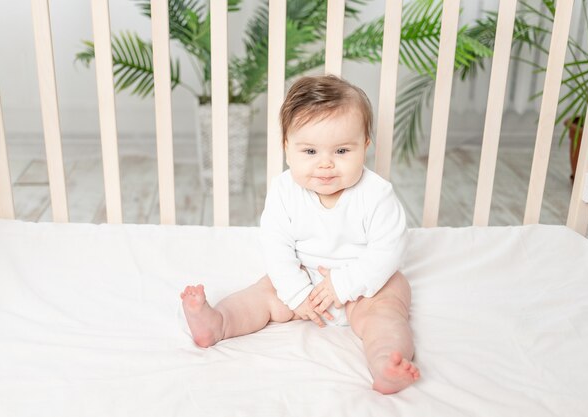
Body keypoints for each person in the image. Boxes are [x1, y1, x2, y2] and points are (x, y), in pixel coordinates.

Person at [180, 74, 420, 394]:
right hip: (304, 279)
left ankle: (386, 362)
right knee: (262, 293)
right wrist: (296, 293)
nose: (325, 165)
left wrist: (345, 284)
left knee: (389, 306)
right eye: (309, 152)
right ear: (286, 148)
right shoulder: (283, 190)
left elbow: (389, 249)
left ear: (365, 145)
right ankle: (217, 322)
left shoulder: (377, 194)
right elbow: (276, 245)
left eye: (341, 151)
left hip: (364, 287)